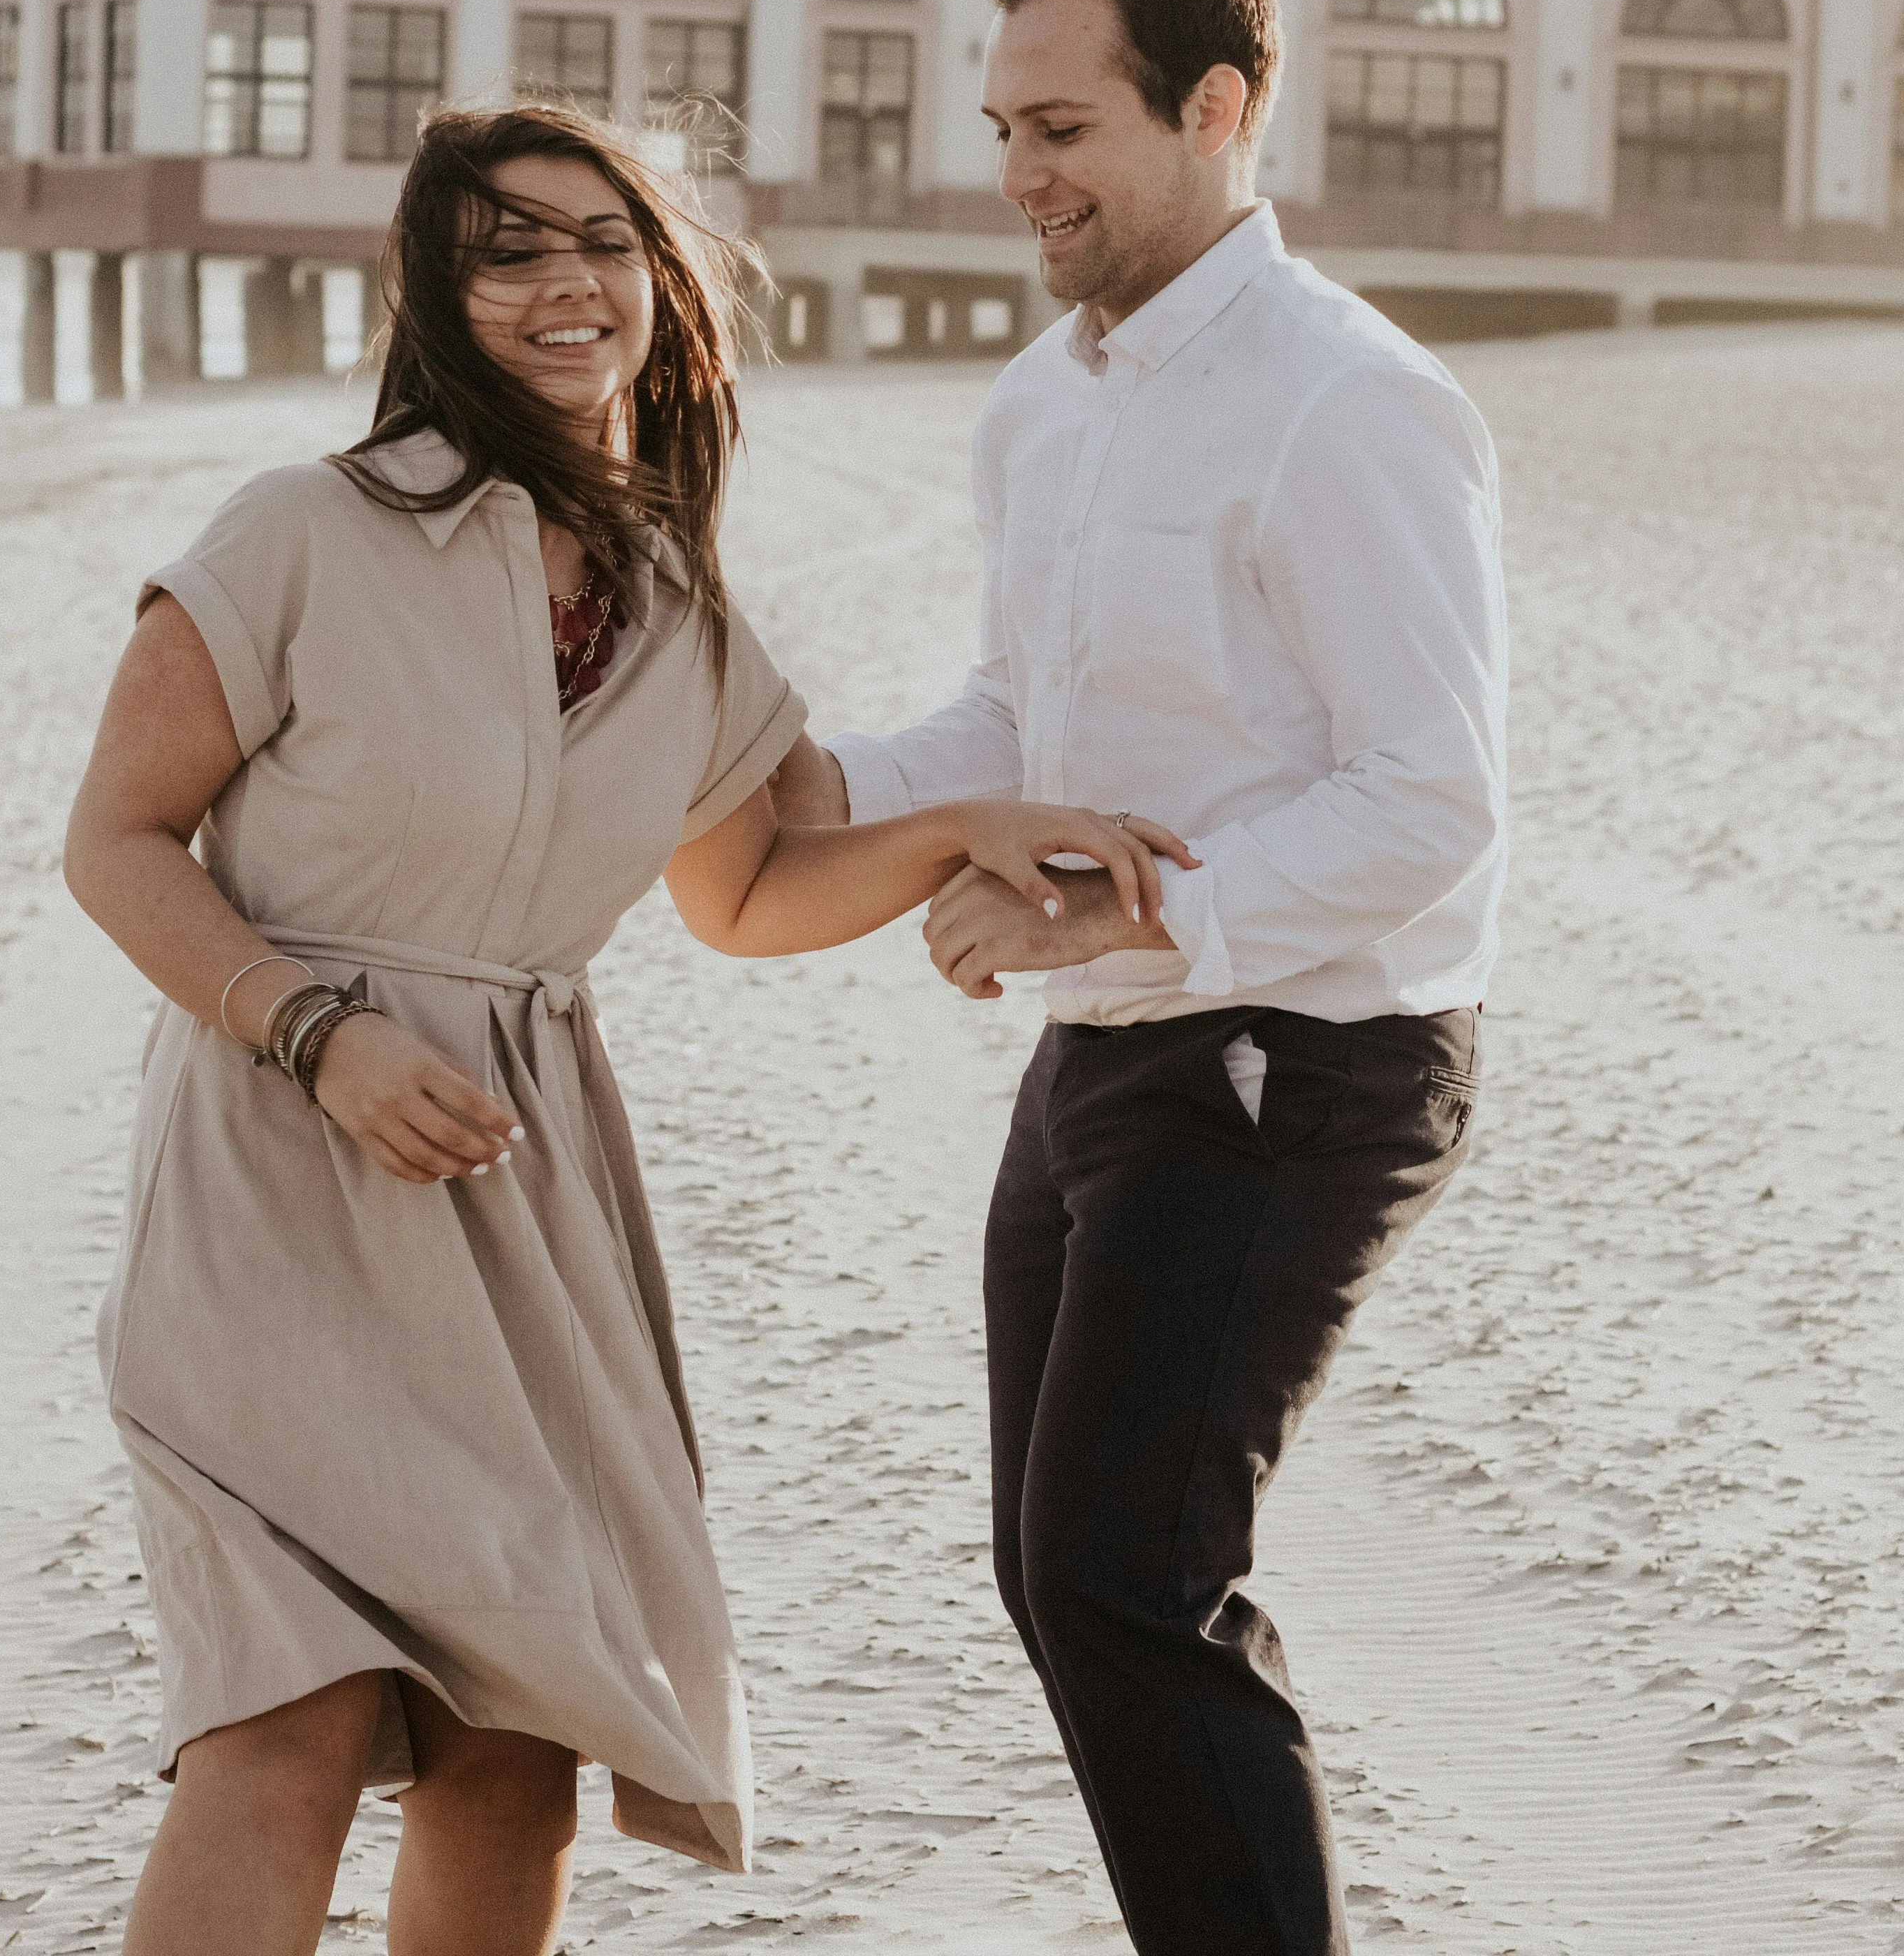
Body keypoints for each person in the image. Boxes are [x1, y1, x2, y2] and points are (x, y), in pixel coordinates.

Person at [61, 101, 1188, 1956]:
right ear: (438, 295)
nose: (563, 283)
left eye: (602, 243)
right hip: (274, 1181)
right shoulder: (300, 534)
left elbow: (746, 890)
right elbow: (115, 841)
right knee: (287, 1717)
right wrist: (321, 1032)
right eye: (506, 251)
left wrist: (959, 836)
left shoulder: (676, 608)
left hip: (522, 1205)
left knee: (519, 1745)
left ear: (663, 284)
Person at [778, 0, 1509, 1956]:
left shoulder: (1350, 401)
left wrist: (1118, 921)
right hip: (1104, 1057)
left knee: (1125, 1579)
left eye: (1065, 130)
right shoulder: (1043, 404)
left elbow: (1433, 801)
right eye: (1003, 128)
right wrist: (811, 789)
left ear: (1218, 107)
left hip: (1304, 1061)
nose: (1020, 175)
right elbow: (1022, 718)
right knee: (1061, 1579)